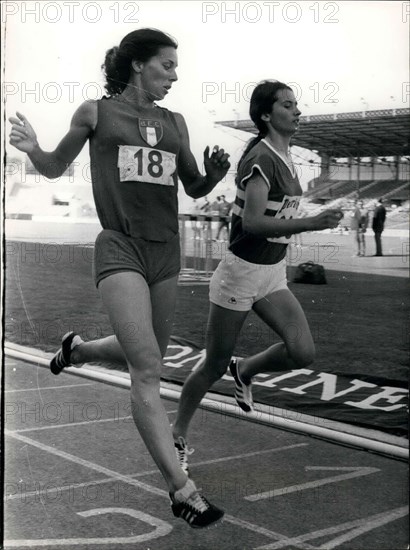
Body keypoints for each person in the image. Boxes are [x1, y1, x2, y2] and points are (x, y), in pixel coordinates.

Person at [9, 28, 230, 528]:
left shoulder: (176, 123)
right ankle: (182, 490)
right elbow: (51, 167)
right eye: (167, 65)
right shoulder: (95, 113)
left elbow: (193, 184)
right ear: (137, 65)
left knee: (148, 348)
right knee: (148, 366)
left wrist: (213, 175)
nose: (175, 75)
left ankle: (79, 350)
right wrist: (32, 147)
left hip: (165, 253)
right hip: (120, 247)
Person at [171, 80, 343, 474]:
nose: (297, 111)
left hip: (272, 274)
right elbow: (250, 223)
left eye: (297, 104)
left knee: (302, 352)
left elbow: (275, 218)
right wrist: (312, 222)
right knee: (212, 365)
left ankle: (245, 369)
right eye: (288, 105)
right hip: (239, 275)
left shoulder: (287, 156)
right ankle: (177, 434)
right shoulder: (261, 158)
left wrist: (307, 221)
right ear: (267, 115)